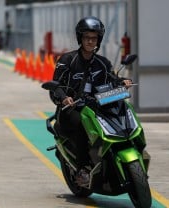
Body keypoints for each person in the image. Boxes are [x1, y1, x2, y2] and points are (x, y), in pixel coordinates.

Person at [50, 16, 132, 185]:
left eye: (94, 38)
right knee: (82, 122)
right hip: (71, 110)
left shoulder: (102, 63)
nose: (90, 41)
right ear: (80, 38)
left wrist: (122, 82)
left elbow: (112, 79)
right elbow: (56, 85)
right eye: (86, 37)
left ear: (98, 40)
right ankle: (82, 169)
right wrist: (64, 98)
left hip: (97, 106)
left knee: (122, 109)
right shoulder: (68, 60)